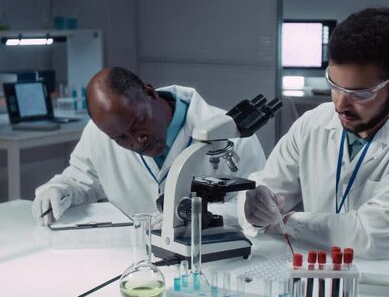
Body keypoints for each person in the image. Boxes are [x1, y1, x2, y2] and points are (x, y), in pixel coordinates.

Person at [239, 8, 389, 259]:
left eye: (360, 94)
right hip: (316, 273)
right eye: (334, 86)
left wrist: (285, 222)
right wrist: (255, 209)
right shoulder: (313, 123)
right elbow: (268, 191)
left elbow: (373, 238)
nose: (340, 105)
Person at [32, 67, 266, 226]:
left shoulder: (230, 134)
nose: (136, 142)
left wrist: (196, 218)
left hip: (212, 265)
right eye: (121, 139)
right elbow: (80, 181)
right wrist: (59, 191)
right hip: (133, 263)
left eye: (138, 124)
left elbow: (257, 206)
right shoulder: (99, 134)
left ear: (150, 93)